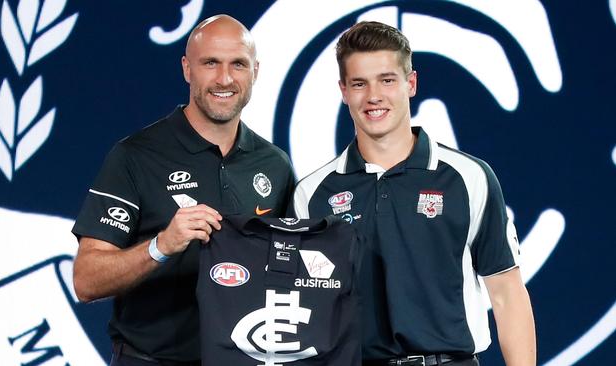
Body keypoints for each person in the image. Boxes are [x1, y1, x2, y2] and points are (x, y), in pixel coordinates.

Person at [290, 21, 536, 366]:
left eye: (387, 80)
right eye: (359, 83)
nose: (374, 96)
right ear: (344, 91)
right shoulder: (312, 194)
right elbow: (304, 309)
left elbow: (507, 293)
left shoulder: (469, 178)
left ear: (411, 83)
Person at [71, 15, 295, 366]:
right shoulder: (136, 156)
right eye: (210, 63)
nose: (224, 78)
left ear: (255, 72)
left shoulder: (275, 165)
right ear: (187, 68)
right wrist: (162, 246)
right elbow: (86, 280)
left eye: (238, 64)